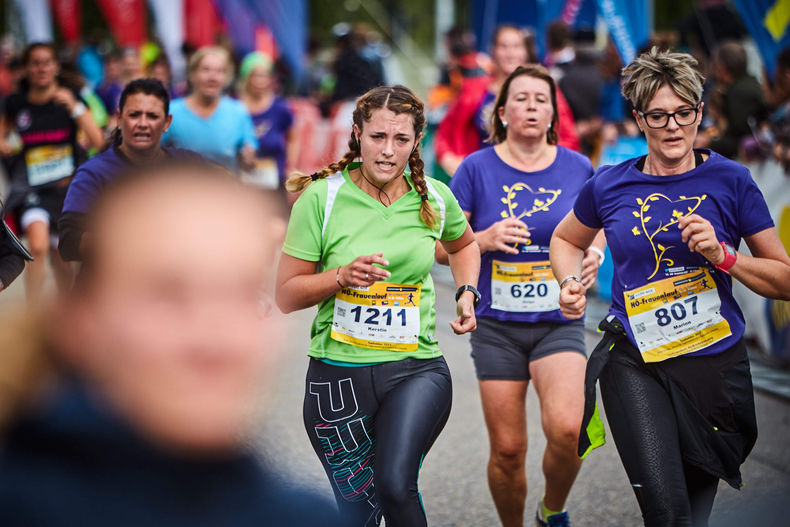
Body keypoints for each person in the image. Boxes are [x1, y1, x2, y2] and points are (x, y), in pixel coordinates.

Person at [0, 160, 339, 526]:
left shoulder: (305, 516)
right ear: (81, 320)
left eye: (240, 292)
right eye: (168, 293)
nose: (215, 339)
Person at [550, 47, 790, 527]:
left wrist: (725, 256)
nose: (673, 126)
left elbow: (783, 278)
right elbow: (564, 239)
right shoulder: (610, 184)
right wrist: (567, 281)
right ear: (640, 119)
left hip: (712, 367)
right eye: (658, 115)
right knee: (666, 512)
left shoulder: (731, 180)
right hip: (635, 360)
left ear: (700, 112)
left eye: (684, 112)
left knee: (691, 517)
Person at [276, 85, 480, 526]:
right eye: (377, 138)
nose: (388, 152)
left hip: (416, 368)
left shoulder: (434, 198)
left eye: (401, 140)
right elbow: (286, 295)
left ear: (416, 141)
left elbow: (464, 246)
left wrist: (467, 292)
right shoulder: (321, 199)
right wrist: (340, 277)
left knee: (394, 485)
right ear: (357, 135)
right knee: (359, 513)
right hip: (338, 380)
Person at [438, 64, 604, 527]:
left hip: (558, 319)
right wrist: (483, 238)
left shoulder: (578, 167)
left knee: (569, 431)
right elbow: (440, 245)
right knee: (509, 451)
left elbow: (595, 232)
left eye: (541, 100)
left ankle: (552, 509)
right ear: (502, 111)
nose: (531, 107)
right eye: (522, 98)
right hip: (497, 327)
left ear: (553, 114)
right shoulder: (475, 168)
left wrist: (593, 254)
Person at [0, 42, 104, 304]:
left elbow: (98, 140)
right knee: (37, 246)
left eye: (47, 62)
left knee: (62, 259)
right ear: (27, 69)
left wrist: (75, 107)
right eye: (35, 62)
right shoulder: (15, 103)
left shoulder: (69, 98)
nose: (41, 68)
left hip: (66, 192)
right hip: (33, 192)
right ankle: (34, 313)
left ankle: (67, 313)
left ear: (56, 66)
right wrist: (7, 146)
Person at [58, 78, 196, 262]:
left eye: (153, 116)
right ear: (119, 119)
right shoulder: (94, 173)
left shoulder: (189, 165)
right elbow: (68, 243)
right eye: (134, 115)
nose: (143, 123)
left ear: (167, 122)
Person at [435, 24, 579, 177]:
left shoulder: (545, 90)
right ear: (493, 51)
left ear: (525, 51)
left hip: (531, 180)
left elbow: (569, 139)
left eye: (516, 46)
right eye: (504, 46)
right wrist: (449, 159)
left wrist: (546, 168)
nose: (510, 53)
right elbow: (445, 133)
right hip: (481, 178)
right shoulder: (473, 89)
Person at [162, 46, 257, 170]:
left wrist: (248, 159)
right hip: (182, 187)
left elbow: (250, 160)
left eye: (220, 71)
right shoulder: (172, 111)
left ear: (227, 78)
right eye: (206, 70)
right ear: (192, 75)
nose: (212, 77)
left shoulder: (238, 112)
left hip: (226, 187)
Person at [238, 52, 295, 189]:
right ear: (246, 78)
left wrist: (291, 165)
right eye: (255, 75)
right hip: (240, 180)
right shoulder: (235, 108)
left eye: (264, 75)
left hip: (274, 180)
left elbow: (294, 137)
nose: (260, 81)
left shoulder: (280, 108)